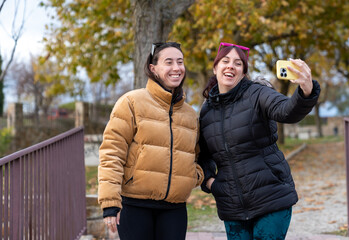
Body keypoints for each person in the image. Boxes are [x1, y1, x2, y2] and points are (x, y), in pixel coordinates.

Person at [198, 42, 321, 240]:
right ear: (215, 68)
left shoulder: (258, 94)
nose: (231, 66)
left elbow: (287, 110)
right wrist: (212, 183)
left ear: (243, 72)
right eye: (225, 61)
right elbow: (202, 156)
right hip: (232, 209)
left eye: (238, 63)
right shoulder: (206, 112)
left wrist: (306, 91)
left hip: (271, 200)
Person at [98, 42, 204, 240]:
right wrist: (110, 201)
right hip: (135, 206)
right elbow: (112, 153)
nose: (176, 68)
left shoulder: (190, 114)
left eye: (180, 62)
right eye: (169, 62)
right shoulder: (131, 102)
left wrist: (192, 176)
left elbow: (197, 155)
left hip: (175, 209)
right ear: (153, 68)